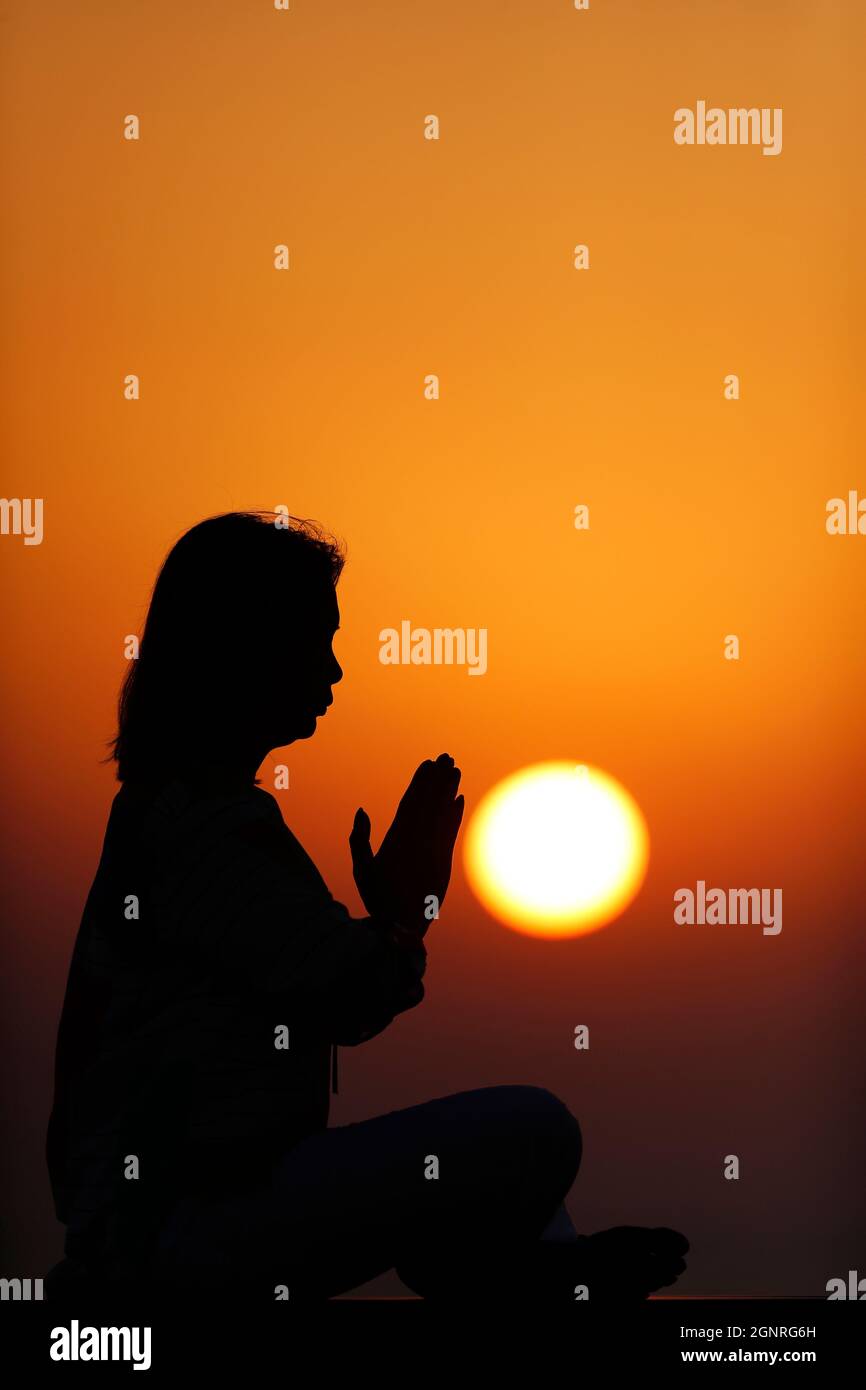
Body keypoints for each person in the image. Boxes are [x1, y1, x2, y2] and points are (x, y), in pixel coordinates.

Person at [45, 510, 688, 1303]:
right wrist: (406, 911)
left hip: (179, 1227)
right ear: (243, 646)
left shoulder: (181, 813)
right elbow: (346, 991)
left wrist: (393, 917)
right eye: (316, 637)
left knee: (497, 1150)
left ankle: (530, 1266)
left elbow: (311, 968)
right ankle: (537, 1273)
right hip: (177, 1242)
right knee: (536, 1128)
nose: (336, 670)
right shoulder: (201, 827)